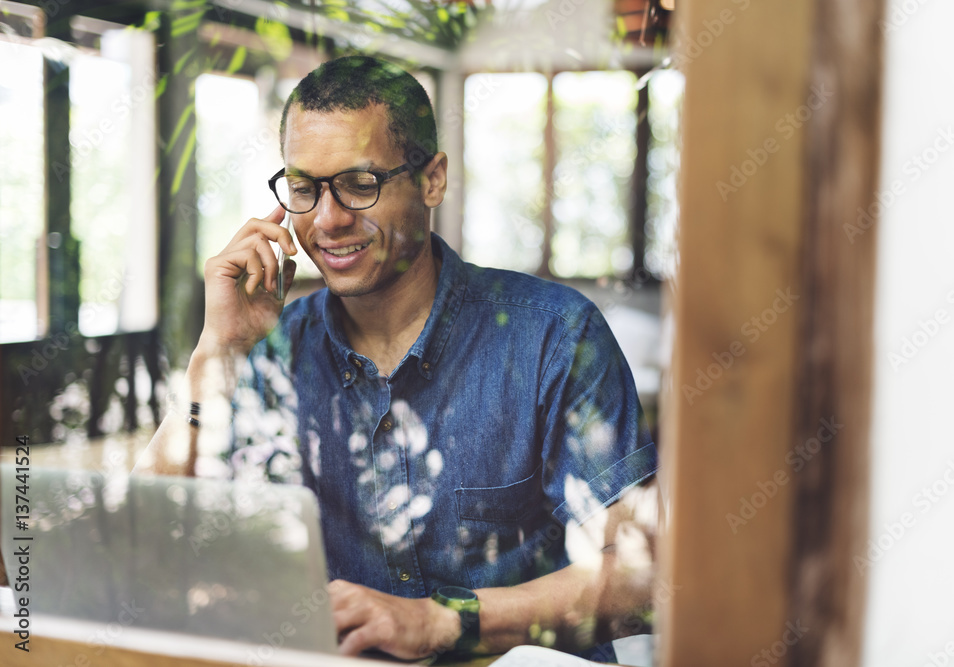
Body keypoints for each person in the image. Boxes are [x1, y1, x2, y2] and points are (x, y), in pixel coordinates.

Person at [138, 55, 659, 661]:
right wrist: (216, 355)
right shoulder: (268, 350)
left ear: (432, 179)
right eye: (304, 188)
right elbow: (145, 554)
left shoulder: (554, 337)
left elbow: (641, 581)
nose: (328, 221)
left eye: (360, 184)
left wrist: (442, 622)